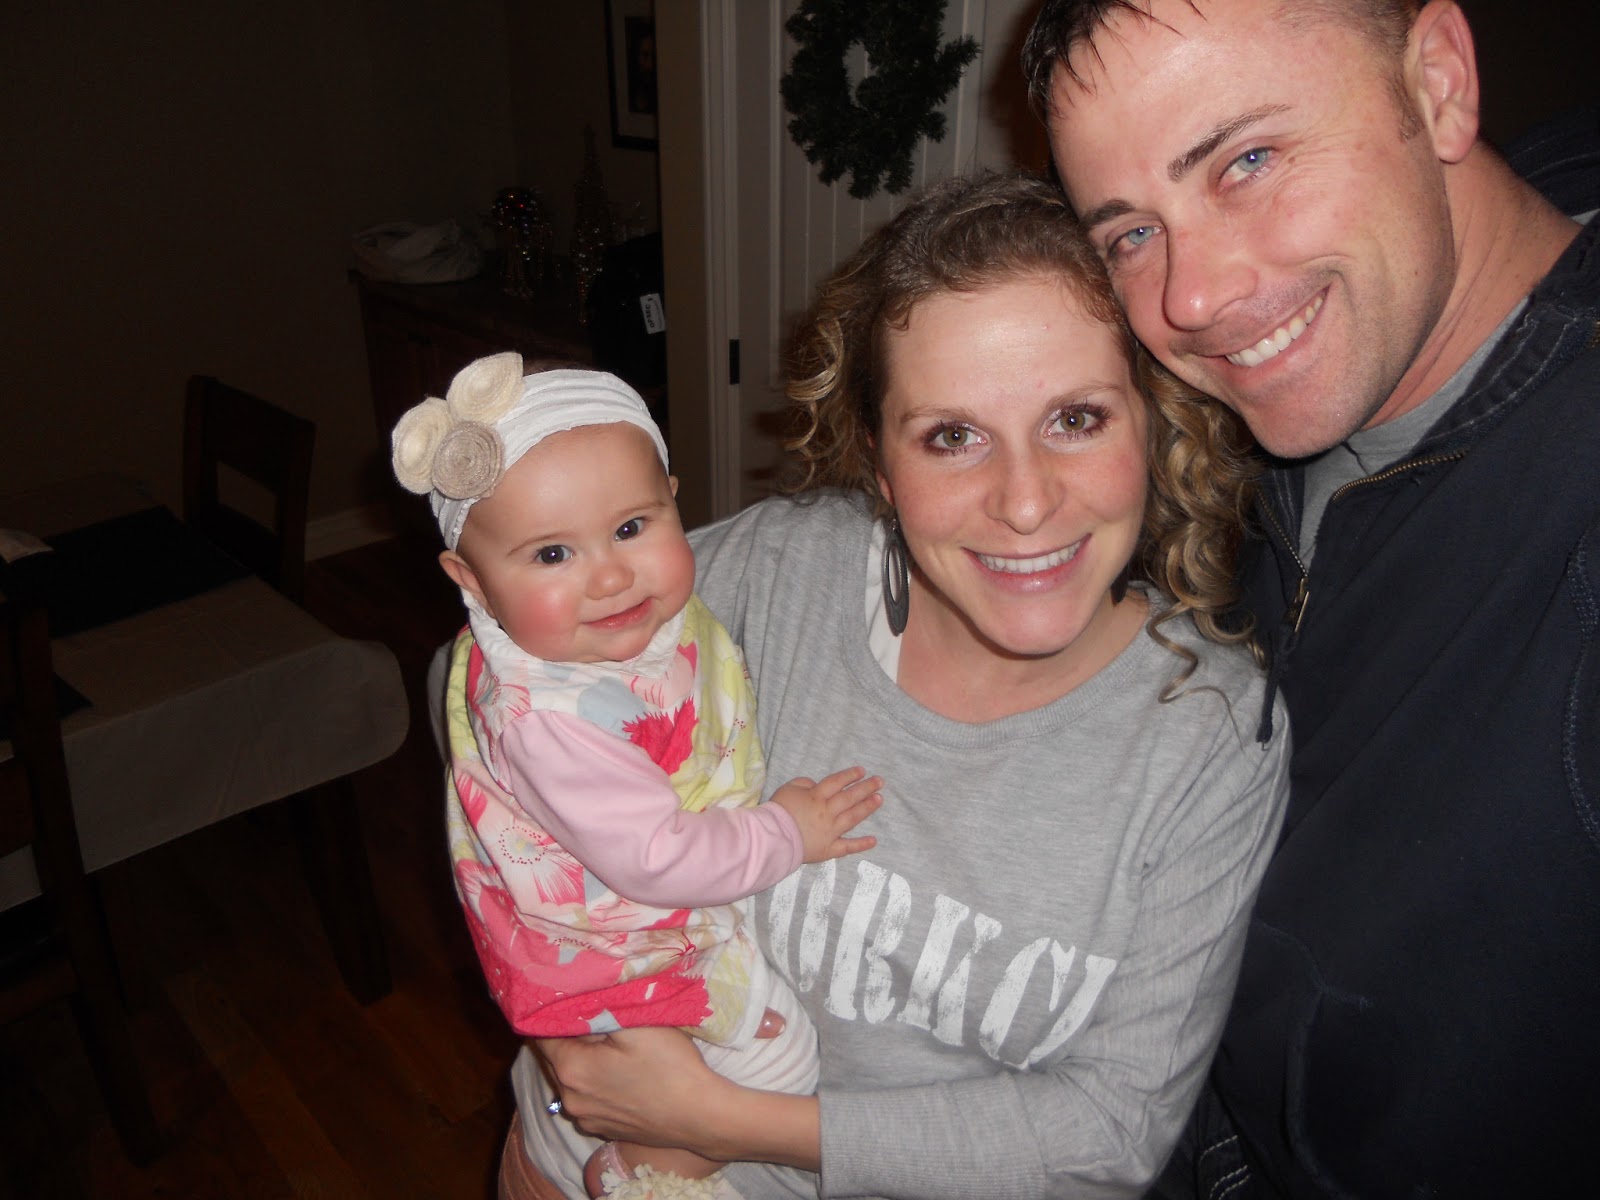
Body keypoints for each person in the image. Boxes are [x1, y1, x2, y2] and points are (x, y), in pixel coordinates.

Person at [511, 170, 1291, 1200]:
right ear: (880, 468)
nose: (1023, 502)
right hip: (577, 1160)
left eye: (1076, 418)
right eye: (951, 436)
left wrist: (718, 1120)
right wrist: (564, 987)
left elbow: (1110, 1131)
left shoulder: (1209, 735)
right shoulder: (782, 573)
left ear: (1153, 424)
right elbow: (489, 683)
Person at [1027, 1, 1600, 1195]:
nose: (1189, 298)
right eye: (1129, 233)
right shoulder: (1310, 389)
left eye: (1246, 160)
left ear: (1439, 82)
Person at [391, 357, 884, 1198]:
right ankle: (639, 1178)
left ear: (674, 502)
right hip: (613, 953)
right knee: (780, 1061)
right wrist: (785, 833)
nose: (611, 576)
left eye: (630, 527)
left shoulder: (592, 632)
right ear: (472, 583)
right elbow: (655, 857)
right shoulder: (553, 719)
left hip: (622, 929)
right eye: (552, 553)